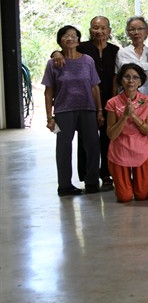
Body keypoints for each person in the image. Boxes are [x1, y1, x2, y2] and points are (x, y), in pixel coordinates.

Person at [43, 25, 102, 196]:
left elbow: (95, 87)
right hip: (64, 110)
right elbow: (48, 92)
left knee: (93, 146)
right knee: (63, 148)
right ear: (60, 41)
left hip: (87, 108)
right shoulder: (53, 63)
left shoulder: (88, 61)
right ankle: (64, 186)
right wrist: (49, 117)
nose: (70, 38)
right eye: (66, 36)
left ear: (78, 40)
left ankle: (92, 182)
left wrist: (99, 110)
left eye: (74, 36)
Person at [105, 63, 148, 202]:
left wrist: (133, 116)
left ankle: (135, 184)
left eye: (135, 77)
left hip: (141, 151)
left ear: (140, 81)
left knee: (142, 195)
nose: (131, 81)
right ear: (121, 80)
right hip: (119, 150)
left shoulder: (147, 101)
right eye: (127, 77)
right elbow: (111, 135)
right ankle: (125, 185)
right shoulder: (112, 103)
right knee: (124, 197)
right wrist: (125, 116)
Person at [116, 16, 148, 98]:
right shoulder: (122, 53)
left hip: (146, 98)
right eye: (132, 29)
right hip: (125, 98)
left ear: (146, 32)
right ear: (128, 33)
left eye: (140, 29)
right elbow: (116, 79)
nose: (136, 32)